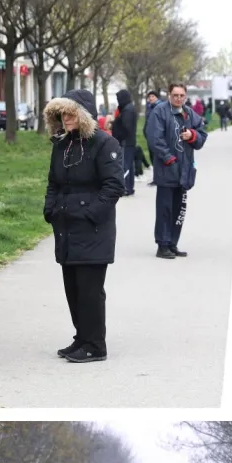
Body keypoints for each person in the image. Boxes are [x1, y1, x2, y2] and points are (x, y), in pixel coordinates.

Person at [42, 88, 125, 363]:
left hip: (92, 230)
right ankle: (82, 336)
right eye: (61, 113)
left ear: (83, 114)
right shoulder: (62, 144)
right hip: (65, 228)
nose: (65, 118)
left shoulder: (104, 144)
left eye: (70, 112)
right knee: (73, 288)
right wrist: (50, 209)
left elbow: (114, 186)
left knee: (90, 290)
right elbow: (54, 181)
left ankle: (95, 344)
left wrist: (90, 213)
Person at [146, 81, 208, 259]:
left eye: (182, 95)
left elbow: (202, 134)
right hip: (167, 170)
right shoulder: (160, 111)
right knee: (165, 209)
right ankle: (162, 245)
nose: (178, 98)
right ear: (169, 95)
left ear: (186, 96)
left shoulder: (189, 113)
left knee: (179, 209)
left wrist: (192, 135)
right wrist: (169, 159)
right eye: (175, 95)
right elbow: (154, 138)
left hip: (185, 170)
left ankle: (173, 243)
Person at [111, 88, 136, 196]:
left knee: (125, 165)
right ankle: (129, 187)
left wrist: (119, 136)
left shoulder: (127, 110)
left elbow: (126, 127)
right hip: (128, 141)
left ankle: (126, 187)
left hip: (126, 142)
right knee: (128, 165)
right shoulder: (127, 108)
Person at [143, 89, 160, 185]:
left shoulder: (159, 107)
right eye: (149, 97)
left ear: (157, 97)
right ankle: (156, 178)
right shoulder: (149, 107)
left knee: (157, 158)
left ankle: (159, 178)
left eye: (153, 96)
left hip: (156, 136)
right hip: (149, 137)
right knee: (152, 157)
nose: (151, 98)